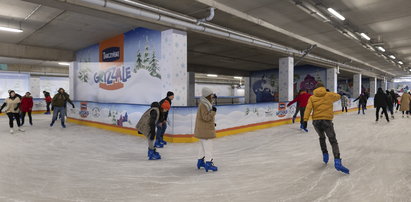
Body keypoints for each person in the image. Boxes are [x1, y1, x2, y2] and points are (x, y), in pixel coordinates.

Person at [303, 83, 349, 174]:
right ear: (323, 88)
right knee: (333, 140)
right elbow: (338, 96)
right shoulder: (329, 95)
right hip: (327, 121)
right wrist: (332, 93)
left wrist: (305, 120)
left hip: (316, 122)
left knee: (322, 137)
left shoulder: (312, 97)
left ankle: (325, 154)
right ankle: (337, 161)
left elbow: (308, 109)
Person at [195, 87, 218, 172]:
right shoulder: (204, 104)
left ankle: (200, 162)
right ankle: (208, 163)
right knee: (208, 148)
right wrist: (213, 112)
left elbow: (204, 118)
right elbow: (206, 117)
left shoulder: (205, 103)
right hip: (205, 131)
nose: (211, 96)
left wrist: (212, 123)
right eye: (210, 95)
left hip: (203, 129)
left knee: (202, 147)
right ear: (207, 95)